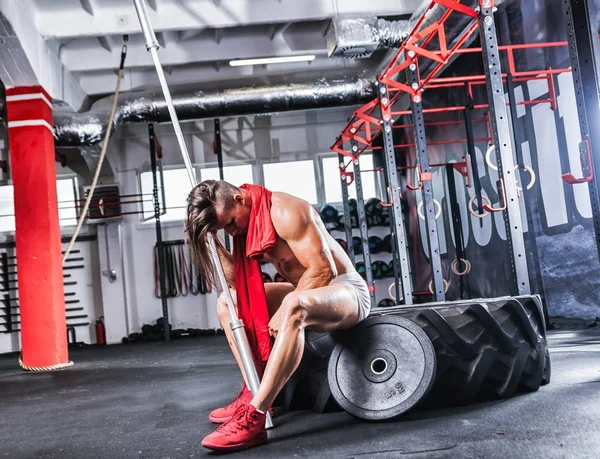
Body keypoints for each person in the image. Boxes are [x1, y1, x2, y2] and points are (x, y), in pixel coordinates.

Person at [185, 180, 371, 453]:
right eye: (224, 228)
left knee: (294, 303)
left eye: (231, 223)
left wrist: (285, 308)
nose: (232, 231)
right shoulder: (248, 225)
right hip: (304, 292)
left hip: (345, 291)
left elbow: (323, 270)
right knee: (228, 302)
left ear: (240, 199)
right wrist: (209, 240)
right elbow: (237, 283)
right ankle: (253, 387)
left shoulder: (286, 211)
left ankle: (255, 415)